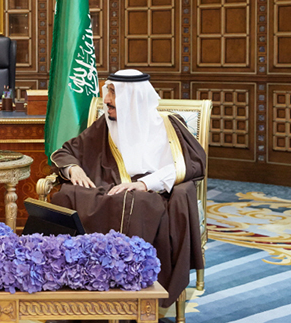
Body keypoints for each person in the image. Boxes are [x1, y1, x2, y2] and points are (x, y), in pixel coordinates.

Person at [50, 69, 206, 308]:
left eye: (114, 92)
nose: (107, 100)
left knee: (136, 203)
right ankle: (78, 280)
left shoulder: (168, 125)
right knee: (66, 195)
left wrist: (144, 183)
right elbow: (67, 151)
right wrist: (73, 169)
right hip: (109, 189)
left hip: (152, 194)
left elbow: (191, 164)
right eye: (107, 91)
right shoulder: (106, 124)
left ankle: (130, 286)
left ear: (132, 97)